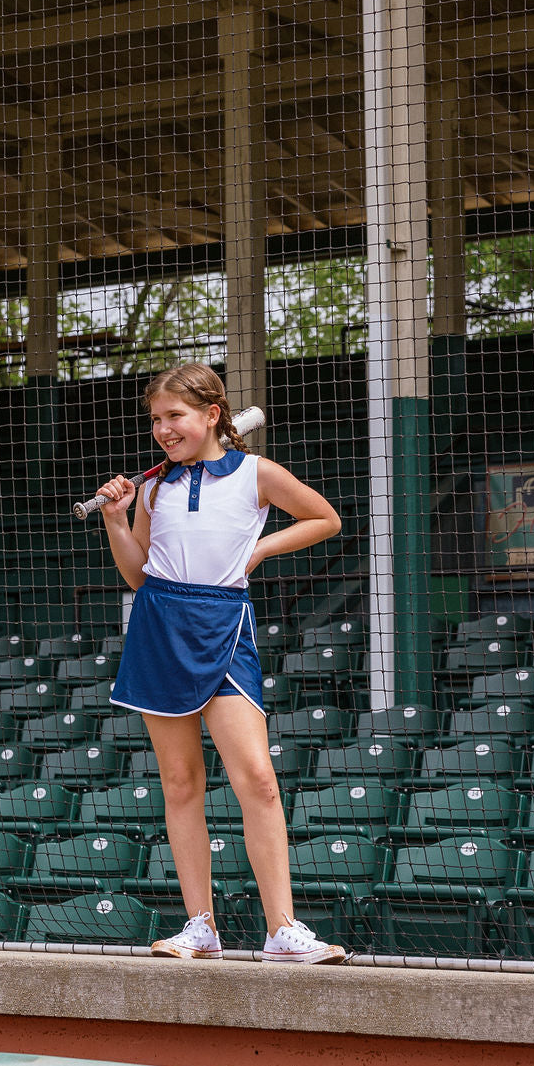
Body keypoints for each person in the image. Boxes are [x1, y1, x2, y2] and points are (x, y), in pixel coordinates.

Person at [96, 362, 347, 964]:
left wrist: (259, 549)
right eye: (156, 419)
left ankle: (282, 930)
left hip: (225, 625)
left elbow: (325, 518)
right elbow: (137, 574)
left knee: (257, 779)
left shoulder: (257, 473)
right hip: (159, 626)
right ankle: (200, 926)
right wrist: (115, 519)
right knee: (181, 783)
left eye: (175, 416)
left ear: (211, 415)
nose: (163, 429)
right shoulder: (152, 489)